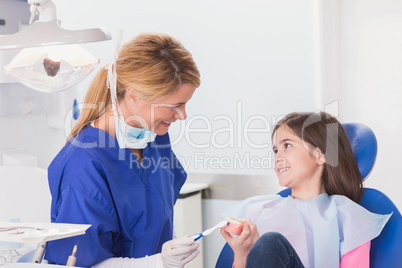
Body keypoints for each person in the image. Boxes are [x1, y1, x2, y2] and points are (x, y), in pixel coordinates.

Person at [45, 33, 201, 267]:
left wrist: (173, 248)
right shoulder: (84, 163)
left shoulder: (154, 140)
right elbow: (81, 262)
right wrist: (158, 263)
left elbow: (157, 215)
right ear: (134, 96)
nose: (183, 115)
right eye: (175, 106)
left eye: (186, 103)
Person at [220, 112, 391, 268]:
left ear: (320, 155)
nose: (277, 157)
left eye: (287, 145)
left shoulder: (349, 217)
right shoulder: (259, 211)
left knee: (270, 242)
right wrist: (242, 255)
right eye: (275, 150)